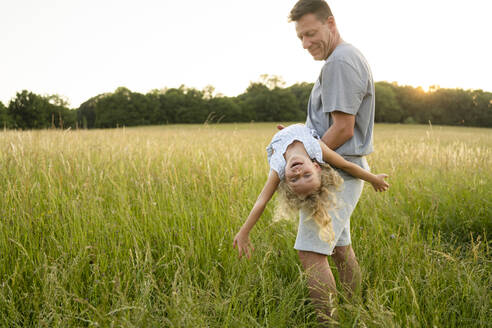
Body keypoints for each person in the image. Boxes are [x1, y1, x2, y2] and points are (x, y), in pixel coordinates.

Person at [281, 0, 377, 322]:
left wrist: (303, 156)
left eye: (311, 33)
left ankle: (329, 322)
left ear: (330, 23)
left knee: (310, 253)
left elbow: (343, 128)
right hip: (341, 169)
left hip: (337, 172)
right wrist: (300, 136)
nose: (307, 44)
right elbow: (332, 124)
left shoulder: (340, 62)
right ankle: (352, 313)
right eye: (301, 38)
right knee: (339, 249)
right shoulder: (343, 58)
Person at [233, 124, 388, 320]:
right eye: (304, 175)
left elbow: (261, 201)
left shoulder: (279, 166)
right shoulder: (315, 148)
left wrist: (244, 232)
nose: (298, 173)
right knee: (342, 248)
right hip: (293, 129)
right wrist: (373, 178)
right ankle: (353, 309)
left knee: (336, 250)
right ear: (316, 166)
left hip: (283, 134)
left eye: (295, 179)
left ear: (285, 180)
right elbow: (346, 165)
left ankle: (332, 319)